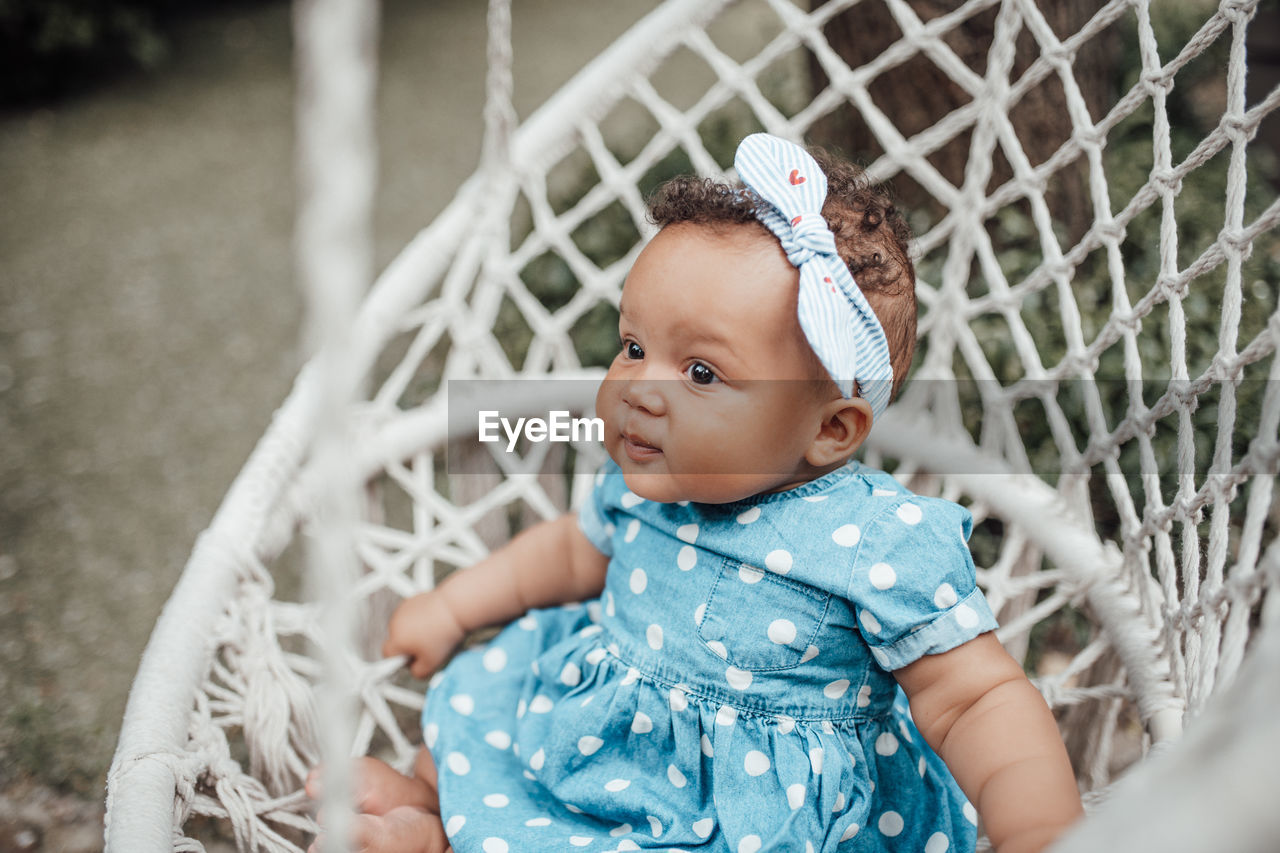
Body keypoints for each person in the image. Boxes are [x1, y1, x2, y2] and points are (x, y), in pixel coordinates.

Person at [307, 134, 1083, 853]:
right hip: (603, 737)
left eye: (702, 372)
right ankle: (431, 806)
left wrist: (1040, 826)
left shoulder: (878, 542)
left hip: (754, 817)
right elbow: (566, 553)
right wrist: (454, 608)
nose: (640, 387)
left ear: (832, 431)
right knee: (493, 725)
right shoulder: (650, 483)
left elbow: (974, 700)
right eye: (634, 347)